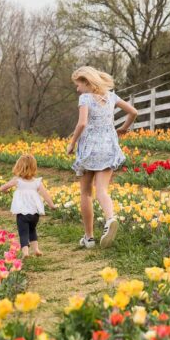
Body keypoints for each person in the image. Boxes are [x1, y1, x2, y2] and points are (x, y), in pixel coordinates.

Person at [66, 66, 137, 248]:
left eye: (78, 84)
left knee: (86, 193)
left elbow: (82, 123)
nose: (77, 89)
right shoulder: (112, 96)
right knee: (102, 190)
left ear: (87, 82)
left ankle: (89, 238)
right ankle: (110, 218)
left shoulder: (85, 98)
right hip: (108, 147)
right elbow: (134, 112)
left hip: (89, 149)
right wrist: (124, 128)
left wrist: (72, 143)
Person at [0, 153, 56, 258]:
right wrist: (52, 205)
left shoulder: (17, 180)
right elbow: (45, 195)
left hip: (22, 213)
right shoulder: (37, 182)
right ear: (34, 167)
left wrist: (5, 190)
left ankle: (25, 253)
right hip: (35, 214)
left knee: (23, 232)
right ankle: (36, 249)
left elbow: (2, 188)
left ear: (18, 167)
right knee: (32, 230)